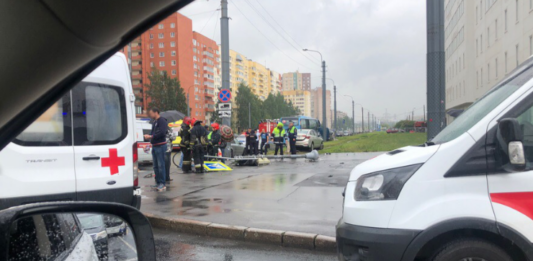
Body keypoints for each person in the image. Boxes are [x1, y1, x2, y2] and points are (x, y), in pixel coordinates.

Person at [144, 108, 168, 192]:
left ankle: (162, 183)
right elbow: (153, 133)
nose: (150, 115)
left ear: (156, 112)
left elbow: (162, 132)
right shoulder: (154, 122)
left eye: (151, 113)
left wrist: (151, 136)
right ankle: (158, 182)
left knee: (161, 166)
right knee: (155, 166)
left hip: (161, 146)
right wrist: (149, 136)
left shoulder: (162, 121)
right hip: (155, 146)